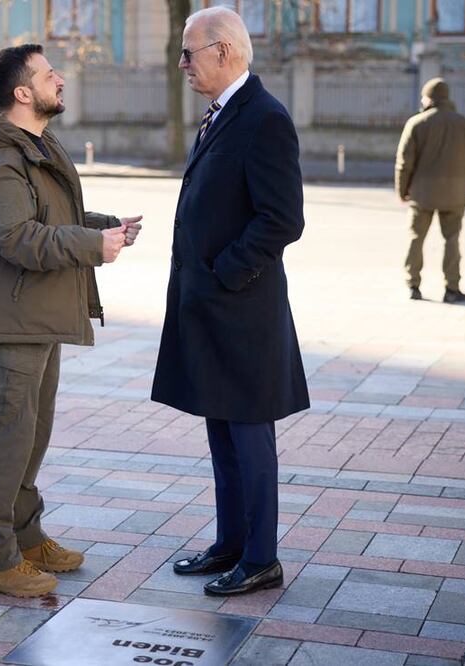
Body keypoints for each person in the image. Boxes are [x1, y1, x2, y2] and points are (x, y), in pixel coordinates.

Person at [0, 44, 142, 597]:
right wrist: (91, 246)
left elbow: (50, 215)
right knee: (5, 441)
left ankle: (26, 538)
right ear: (22, 92)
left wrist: (104, 227)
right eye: (49, 73)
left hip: (38, 313)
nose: (60, 79)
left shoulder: (36, 144)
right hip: (12, 318)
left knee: (30, 437)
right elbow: (16, 237)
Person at [151, 6, 308, 597]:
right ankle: (231, 543)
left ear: (224, 51)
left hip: (242, 308)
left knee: (248, 434)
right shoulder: (221, 113)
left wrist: (225, 274)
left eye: (188, 52)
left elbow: (282, 219)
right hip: (212, 305)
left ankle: (261, 557)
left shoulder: (264, 118)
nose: (182, 63)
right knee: (220, 427)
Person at [395, 77, 465, 303]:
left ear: (428, 98)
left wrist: (402, 190)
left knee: (416, 238)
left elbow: (404, 162)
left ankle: (412, 285)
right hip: (456, 192)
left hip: (421, 193)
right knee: (452, 240)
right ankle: (452, 289)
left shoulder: (416, 123)